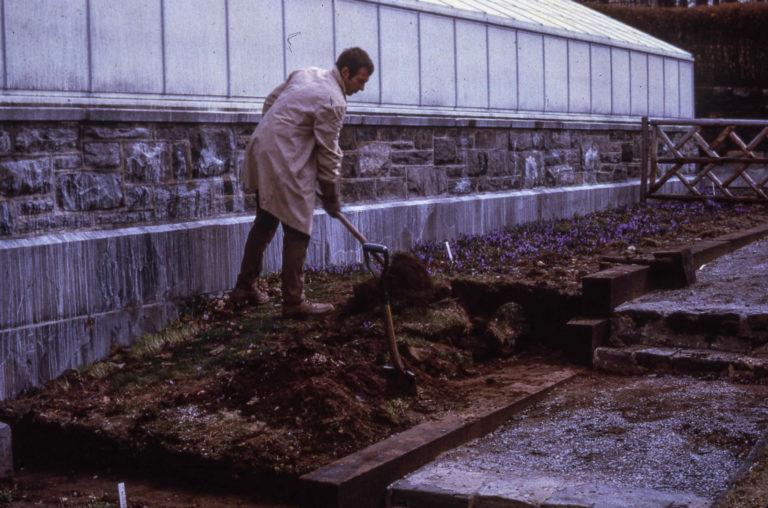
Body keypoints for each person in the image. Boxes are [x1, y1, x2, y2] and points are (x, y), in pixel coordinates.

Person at [232, 47, 374, 317]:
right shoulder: (334, 100)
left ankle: (245, 286)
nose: (363, 88)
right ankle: (294, 302)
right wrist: (331, 194)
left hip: (262, 147)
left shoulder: (306, 73)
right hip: (283, 157)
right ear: (345, 72)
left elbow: (270, 102)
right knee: (298, 227)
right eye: (360, 80)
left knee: (266, 219)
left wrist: (279, 135)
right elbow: (328, 150)